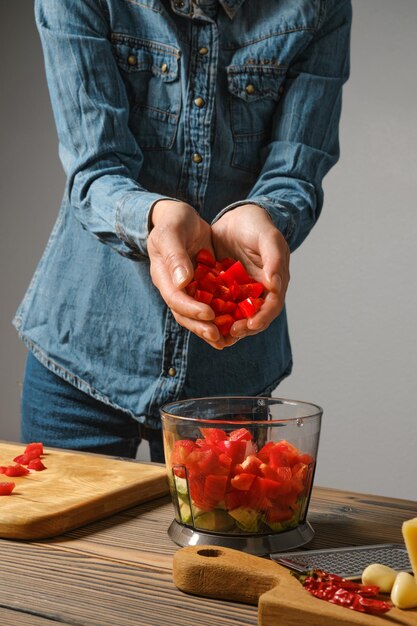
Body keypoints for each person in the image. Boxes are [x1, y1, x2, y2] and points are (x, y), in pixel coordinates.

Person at [14, 0, 352, 462]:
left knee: (225, 533)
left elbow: (296, 170)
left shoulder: (318, 6)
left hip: (230, 372)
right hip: (81, 355)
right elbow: (94, 169)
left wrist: (265, 212)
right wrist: (154, 217)